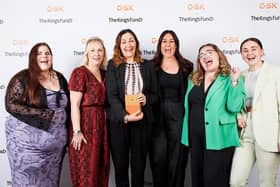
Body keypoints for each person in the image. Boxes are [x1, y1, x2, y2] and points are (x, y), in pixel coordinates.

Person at [5, 42, 70, 187]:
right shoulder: (23, 77)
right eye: (39, 53)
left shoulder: (59, 77)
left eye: (47, 53)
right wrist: (45, 114)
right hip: (27, 150)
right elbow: (10, 105)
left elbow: (68, 108)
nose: (44, 56)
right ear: (33, 58)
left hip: (54, 151)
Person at [181, 43, 246, 187]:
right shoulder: (193, 78)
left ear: (219, 56)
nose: (205, 56)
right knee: (197, 179)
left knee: (214, 180)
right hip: (195, 137)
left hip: (219, 136)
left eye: (209, 52)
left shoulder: (230, 77)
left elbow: (234, 106)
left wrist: (235, 81)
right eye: (202, 55)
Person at [105, 29, 157, 187]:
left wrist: (146, 98)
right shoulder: (113, 65)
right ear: (119, 46)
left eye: (131, 40)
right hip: (120, 122)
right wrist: (125, 116)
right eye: (124, 41)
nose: (128, 44)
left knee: (139, 167)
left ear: (136, 43)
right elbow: (111, 95)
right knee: (120, 167)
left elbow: (156, 94)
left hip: (142, 122)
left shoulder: (147, 65)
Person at [230, 38, 280, 187]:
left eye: (253, 48)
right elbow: (237, 104)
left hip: (269, 133)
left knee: (267, 182)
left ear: (261, 51)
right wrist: (239, 117)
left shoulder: (275, 72)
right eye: (245, 50)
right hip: (246, 133)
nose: (249, 53)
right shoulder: (241, 75)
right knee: (236, 181)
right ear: (242, 55)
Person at [149, 30, 193, 187]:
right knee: (158, 159)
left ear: (176, 44)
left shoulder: (187, 66)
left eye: (171, 41)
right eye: (164, 41)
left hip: (179, 119)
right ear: (159, 44)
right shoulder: (151, 66)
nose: (167, 45)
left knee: (177, 160)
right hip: (157, 120)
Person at [68, 37, 109, 187]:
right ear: (86, 53)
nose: (96, 54)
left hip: (102, 128)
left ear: (104, 53)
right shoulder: (79, 73)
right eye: (92, 50)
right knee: (86, 171)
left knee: (100, 170)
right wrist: (77, 131)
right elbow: (74, 104)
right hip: (85, 126)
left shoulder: (105, 74)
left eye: (100, 50)